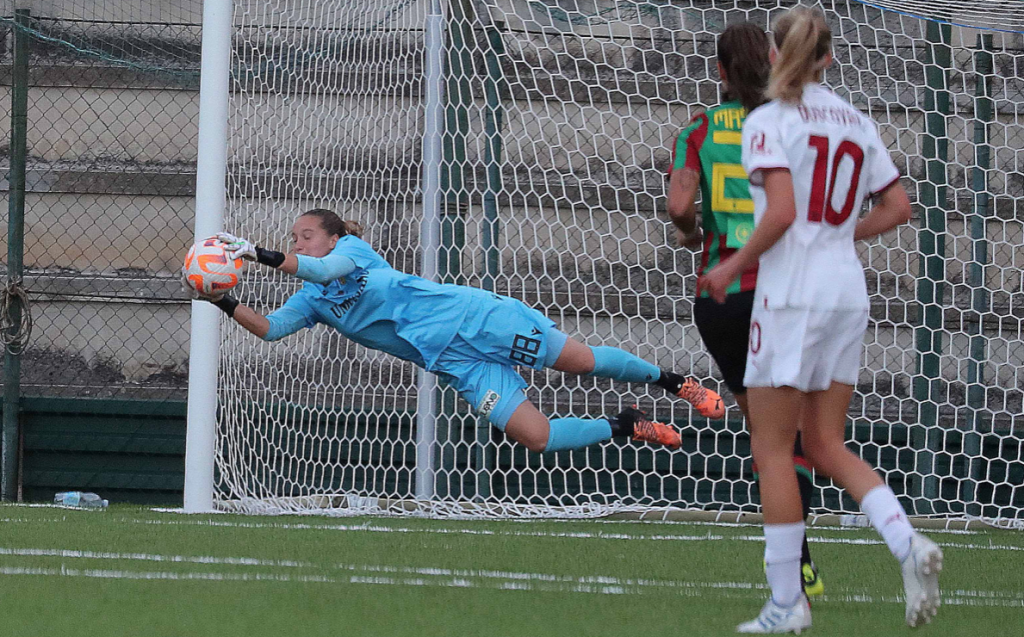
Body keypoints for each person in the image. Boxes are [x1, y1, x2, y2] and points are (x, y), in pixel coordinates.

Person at [699, 7, 941, 633]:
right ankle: (907, 543)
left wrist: (732, 268)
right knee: (827, 444)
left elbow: (778, 213)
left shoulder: (767, 122)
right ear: (829, 57)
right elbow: (899, 206)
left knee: (773, 448)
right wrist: (839, 235)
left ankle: (786, 603)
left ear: (776, 56)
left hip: (791, 296)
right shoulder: (855, 120)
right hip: (845, 293)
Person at [186, 208, 726, 458]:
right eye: (292, 239)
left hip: (476, 320)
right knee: (534, 437)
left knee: (580, 362)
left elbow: (323, 271)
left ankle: (673, 381)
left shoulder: (352, 253)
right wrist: (223, 298)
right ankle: (625, 425)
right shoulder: (311, 301)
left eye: (305, 236)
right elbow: (273, 330)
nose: (298, 243)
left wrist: (257, 253)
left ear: (333, 237)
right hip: (458, 364)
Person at [666, 21, 823, 600]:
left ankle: (793, 563)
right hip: (782, 289)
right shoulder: (795, 123)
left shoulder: (700, 127)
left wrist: (691, 230)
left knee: (763, 432)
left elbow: (680, 203)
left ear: (721, 72)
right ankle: (796, 555)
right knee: (796, 434)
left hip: (722, 298)